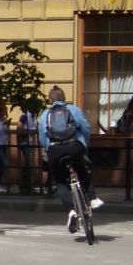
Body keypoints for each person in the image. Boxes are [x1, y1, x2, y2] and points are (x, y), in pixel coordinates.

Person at [38, 87, 103, 233]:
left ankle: (71, 212)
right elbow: (85, 128)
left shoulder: (45, 114)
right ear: (64, 97)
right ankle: (92, 198)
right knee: (81, 169)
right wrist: (83, 143)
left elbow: (42, 136)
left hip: (55, 150)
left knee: (61, 181)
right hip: (74, 147)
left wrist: (47, 148)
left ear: (50, 100)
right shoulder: (73, 109)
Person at [15, 106, 39, 189]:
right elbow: (19, 126)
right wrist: (25, 133)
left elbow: (36, 126)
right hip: (25, 143)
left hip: (31, 142)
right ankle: (24, 182)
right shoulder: (24, 116)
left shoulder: (35, 117)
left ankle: (26, 182)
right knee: (29, 162)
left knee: (29, 163)